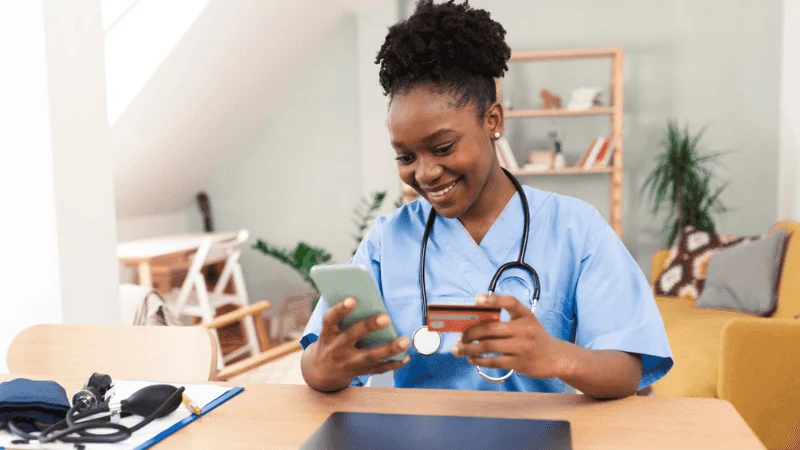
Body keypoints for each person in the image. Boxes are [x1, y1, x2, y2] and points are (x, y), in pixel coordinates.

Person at [299, 0, 673, 399]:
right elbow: (317, 365)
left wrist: (556, 357)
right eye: (405, 157)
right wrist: (324, 365)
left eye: (442, 148)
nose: (424, 173)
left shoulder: (576, 229)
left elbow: (628, 371)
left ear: (492, 121)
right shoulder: (389, 240)